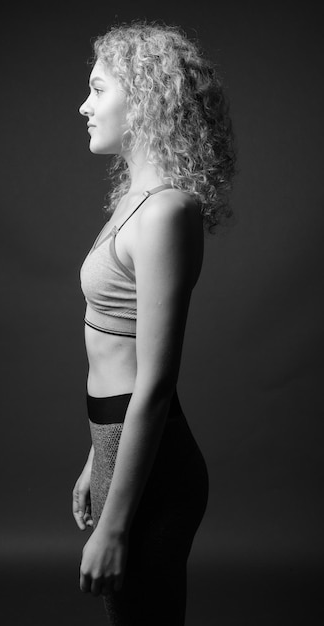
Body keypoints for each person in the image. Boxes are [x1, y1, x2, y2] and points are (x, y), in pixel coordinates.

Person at [72, 21, 235, 625]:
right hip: (116, 440)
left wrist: (114, 528)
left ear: (141, 97)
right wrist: (96, 458)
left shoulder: (167, 211)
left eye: (97, 89)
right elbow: (120, 355)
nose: (84, 106)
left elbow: (156, 382)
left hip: (156, 463)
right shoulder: (132, 203)